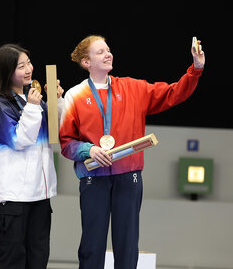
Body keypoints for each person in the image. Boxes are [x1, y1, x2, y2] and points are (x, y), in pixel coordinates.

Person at [59, 35, 205, 269]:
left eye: (108, 49)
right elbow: (66, 142)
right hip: (93, 178)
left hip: (129, 177)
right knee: (91, 246)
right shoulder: (74, 95)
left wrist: (195, 70)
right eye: (100, 52)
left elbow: (172, 93)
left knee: (127, 246)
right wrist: (90, 149)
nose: (108, 54)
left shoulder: (132, 88)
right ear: (86, 62)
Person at [0, 44, 64, 269]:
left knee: (38, 259)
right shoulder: (1, 105)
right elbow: (19, 141)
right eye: (21, 66)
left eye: (29, 63)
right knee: (12, 261)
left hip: (40, 195)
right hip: (12, 198)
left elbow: (54, 135)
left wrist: (56, 101)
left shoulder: (34, 102)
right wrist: (32, 107)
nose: (28, 69)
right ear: (6, 71)